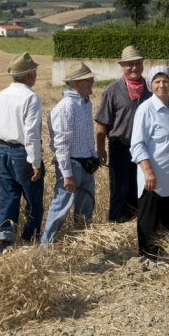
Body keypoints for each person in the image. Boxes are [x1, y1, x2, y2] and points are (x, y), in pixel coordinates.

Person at [130, 66, 169, 262]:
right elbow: (137, 145)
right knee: (150, 217)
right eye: (157, 81)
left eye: (165, 81)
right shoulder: (146, 109)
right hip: (154, 176)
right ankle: (147, 256)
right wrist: (148, 172)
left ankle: (165, 254)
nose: (161, 85)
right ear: (150, 85)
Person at [41, 62, 99, 246]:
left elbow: (86, 136)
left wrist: (94, 157)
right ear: (76, 84)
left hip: (86, 164)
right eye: (88, 79)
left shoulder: (85, 103)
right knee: (61, 208)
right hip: (72, 165)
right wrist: (67, 175)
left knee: (85, 207)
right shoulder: (66, 107)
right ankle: (45, 247)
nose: (92, 81)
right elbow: (61, 144)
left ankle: (81, 243)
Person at [0, 52, 44, 254]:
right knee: (33, 199)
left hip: (1, 150)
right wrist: (36, 162)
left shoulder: (1, 94)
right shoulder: (30, 97)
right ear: (30, 75)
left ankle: (3, 242)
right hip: (22, 153)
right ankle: (28, 242)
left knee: (8, 196)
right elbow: (31, 133)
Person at [94, 45, 152, 223]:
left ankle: (136, 225)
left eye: (137, 63)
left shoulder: (151, 90)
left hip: (145, 149)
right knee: (119, 190)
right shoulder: (112, 91)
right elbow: (102, 122)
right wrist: (101, 149)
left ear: (142, 64)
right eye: (129, 64)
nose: (134, 67)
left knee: (139, 189)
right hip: (120, 148)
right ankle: (116, 227)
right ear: (122, 67)